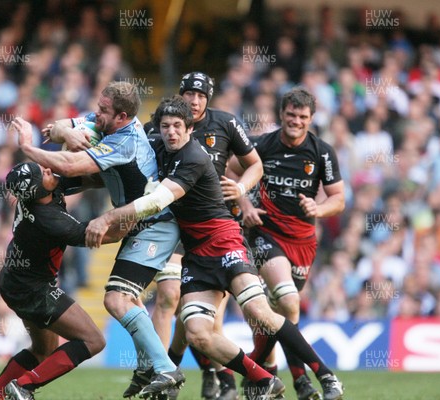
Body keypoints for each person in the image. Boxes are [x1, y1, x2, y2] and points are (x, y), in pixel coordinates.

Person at [85, 95, 345, 400]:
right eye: (165, 126)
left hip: (224, 241)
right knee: (196, 331)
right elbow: (117, 135)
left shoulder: (194, 157)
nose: (170, 131)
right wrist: (75, 129)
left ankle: (326, 376)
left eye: (177, 126)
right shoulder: (157, 149)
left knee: (260, 311)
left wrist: (109, 217)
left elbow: (157, 200)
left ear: (189, 129)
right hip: (196, 254)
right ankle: (262, 379)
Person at [11, 80, 184, 399]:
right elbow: (58, 126)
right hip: (136, 224)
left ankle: (165, 369)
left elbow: (72, 163)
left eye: (103, 110)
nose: (96, 114)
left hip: (154, 227)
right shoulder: (106, 120)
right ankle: (151, 368)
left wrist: (28, 148)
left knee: (116, 299)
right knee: (123, 298)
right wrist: (68, 133)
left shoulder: (125, 142)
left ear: (121, 116)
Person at [145, 71, 263, 400]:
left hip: (211, 227)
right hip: (171, 224)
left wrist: (240, 190)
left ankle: (213, 374)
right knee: (169, 295)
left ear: (208, 99)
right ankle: (163, 371)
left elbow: (253, 165)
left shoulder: (225, 123)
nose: (194, 100)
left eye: (200, 95)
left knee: (200, 317)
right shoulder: (160, 125)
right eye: (189, 94)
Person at [232, 87, 346, 400]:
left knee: (277, 315)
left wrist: (319, 209)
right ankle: (315, 377)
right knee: (288, 299)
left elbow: (339, 199)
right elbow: (231, 170)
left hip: (303, 241)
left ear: (311, 119)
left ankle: (262, 373)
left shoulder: (322, 152)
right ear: (282, 114)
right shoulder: (262, 145)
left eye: (302, 117)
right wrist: (245, 205)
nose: (296, 121)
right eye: (291, 115)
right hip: (265, 233)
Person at [0, 162, 122, 400]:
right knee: (93, 340)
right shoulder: (51, 220)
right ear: (38, 190)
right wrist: (141, 210)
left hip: (15, 280)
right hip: (32, 289)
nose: (47, 169)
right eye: (41, 172)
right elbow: (109, 236)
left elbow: (90, 178)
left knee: (43, 350)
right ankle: (23, 386)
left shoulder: (43, 189)